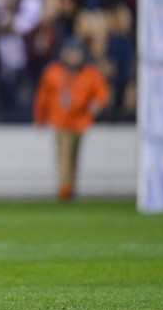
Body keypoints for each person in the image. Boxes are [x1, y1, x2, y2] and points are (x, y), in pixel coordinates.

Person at [34, 37, 109, 200]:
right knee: (64, 154)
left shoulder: (89, 72)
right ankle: (65, 186)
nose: (72, 57)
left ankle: (70, 185)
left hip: (81, 121)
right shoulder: (53, 71)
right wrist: (40, 117)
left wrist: (97, 104)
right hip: (60, 120)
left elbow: (101, 92)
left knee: (74, 155)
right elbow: (43, 95)